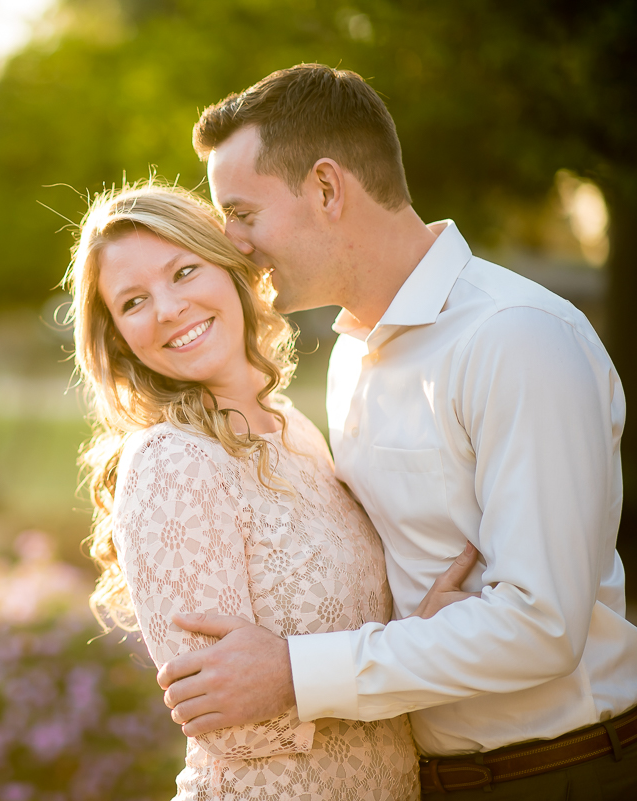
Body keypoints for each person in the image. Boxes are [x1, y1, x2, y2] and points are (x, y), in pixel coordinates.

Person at [159, 63, 637, 800]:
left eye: (243, 213)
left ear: (326, 188)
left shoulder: (516, 338)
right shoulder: (353, 356)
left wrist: (294, 669)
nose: (232, 244)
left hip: (562, 770)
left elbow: (541, 626)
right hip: (426, 777)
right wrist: (409, 624)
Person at [65, 182, 455, 798]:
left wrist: (421, 636)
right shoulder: (172, 462)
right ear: (117, 338)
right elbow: (232, 730)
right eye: (134, 302)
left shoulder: (292, 428)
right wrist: (409, 657)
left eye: (184, 271)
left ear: (232, 270)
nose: (168, 308)